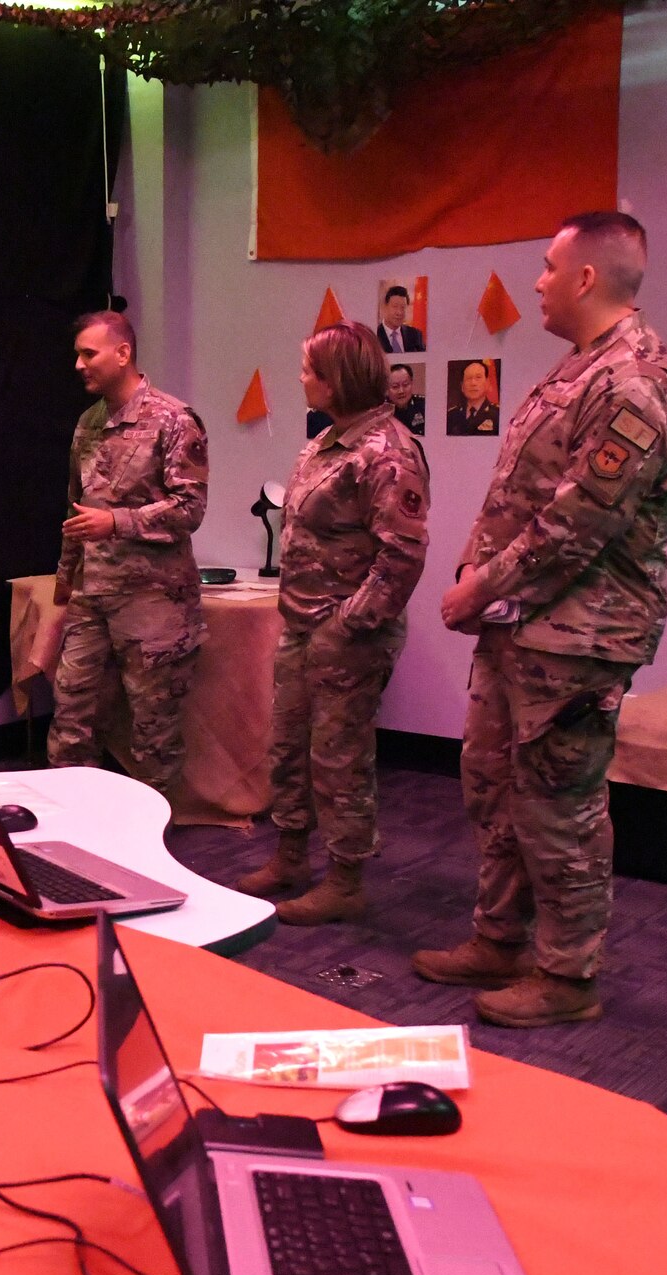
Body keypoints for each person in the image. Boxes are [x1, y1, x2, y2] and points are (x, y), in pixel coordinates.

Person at [420, 211, 667, 1028]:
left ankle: (569, 975)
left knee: (560, 806)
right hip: (523, 625)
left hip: (580, 636)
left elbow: (579, 522)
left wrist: (477, 589)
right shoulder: (576, 371)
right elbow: (519, 496)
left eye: (547, 266)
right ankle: (500, 938)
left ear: (587, 277)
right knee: (494, 786)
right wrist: (479, 578)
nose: (536, 281)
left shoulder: (638, 384)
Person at [234, 322, 429, 925]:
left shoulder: (389, 453)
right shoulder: (323, 446)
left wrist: (348, 626)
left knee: (340, 757)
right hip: (302, 626)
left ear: (337, 377)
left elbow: (402, 557)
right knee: (289, 746)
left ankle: (346, 878)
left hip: (348, 635)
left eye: (309, 369)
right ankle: (291, 855)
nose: (300, 379)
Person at [48, 310, 208, 794]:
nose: (78, 364)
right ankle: (73, 827)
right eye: (76, 353)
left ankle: (152, 844)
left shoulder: (174, 420)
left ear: (123, 354)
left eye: (88, 353)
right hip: (92, 596)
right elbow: (76, 510)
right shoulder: (88, 423)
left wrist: (117, 521)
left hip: (153, 602)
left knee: (153, 731)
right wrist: (65, 583)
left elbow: (190, 508)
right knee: (71, 718)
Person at [446, 360, 499, 436]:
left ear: (487, 383)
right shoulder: (451, 415)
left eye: (478, 377)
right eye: (468, 378)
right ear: (462, 386)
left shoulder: (497, 414)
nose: (473, 383)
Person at [376, 286, 425, 354]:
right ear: (385, 307)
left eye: (403, 307)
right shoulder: (374, 335)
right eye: (395, 306)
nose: (399, 312)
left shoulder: (415, 335)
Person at [387, 363, 426, 435]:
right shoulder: (381, 411)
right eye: (395, 386)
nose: (401, 391)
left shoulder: (424, 405)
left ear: (411, 383)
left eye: (405, 385)